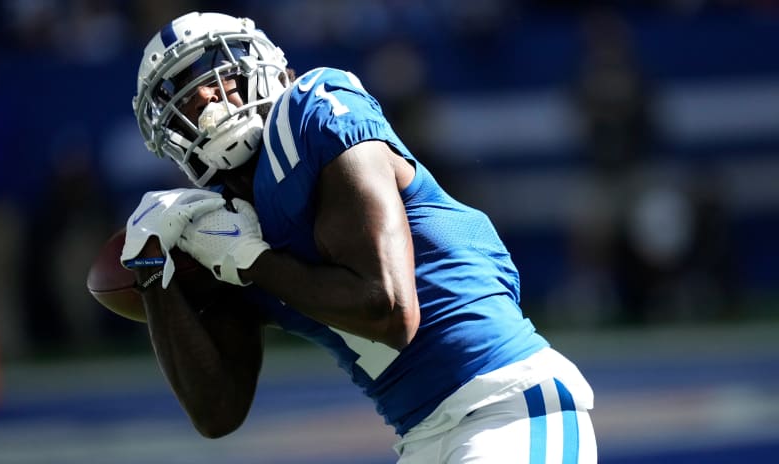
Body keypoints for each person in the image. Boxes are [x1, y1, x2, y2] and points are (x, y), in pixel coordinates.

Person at [120, 11, 596, 463]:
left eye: (212, 72)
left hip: (503, 407)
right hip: (421, 435)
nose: (201, 97)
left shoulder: (315, 108)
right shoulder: (217, 223)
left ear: (263, 65)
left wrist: (250, 260)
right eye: (180, 93)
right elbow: (217, 414)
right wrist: (150, 272)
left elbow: (388, 310)